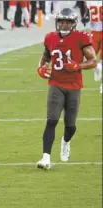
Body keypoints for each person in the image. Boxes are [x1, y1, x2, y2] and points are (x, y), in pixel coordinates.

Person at [36, 8, 97, 170]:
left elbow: (93, 61)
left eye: (68, 21)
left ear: (73, 23)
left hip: (74, 86)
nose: (64, 24)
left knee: (70, 125)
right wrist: (41, 68)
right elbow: (45, 58)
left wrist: (78, 65)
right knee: (52, 120)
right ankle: (46, 158)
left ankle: (66, 141)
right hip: (56, 84)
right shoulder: (50, 38)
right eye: (62, 21)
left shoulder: (80, 38)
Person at [84, 1, 102, 93]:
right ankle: (97, 67)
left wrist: (85, 15)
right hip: (94, 32)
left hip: (97, 31)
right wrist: (86, 15)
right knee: (89, 58)